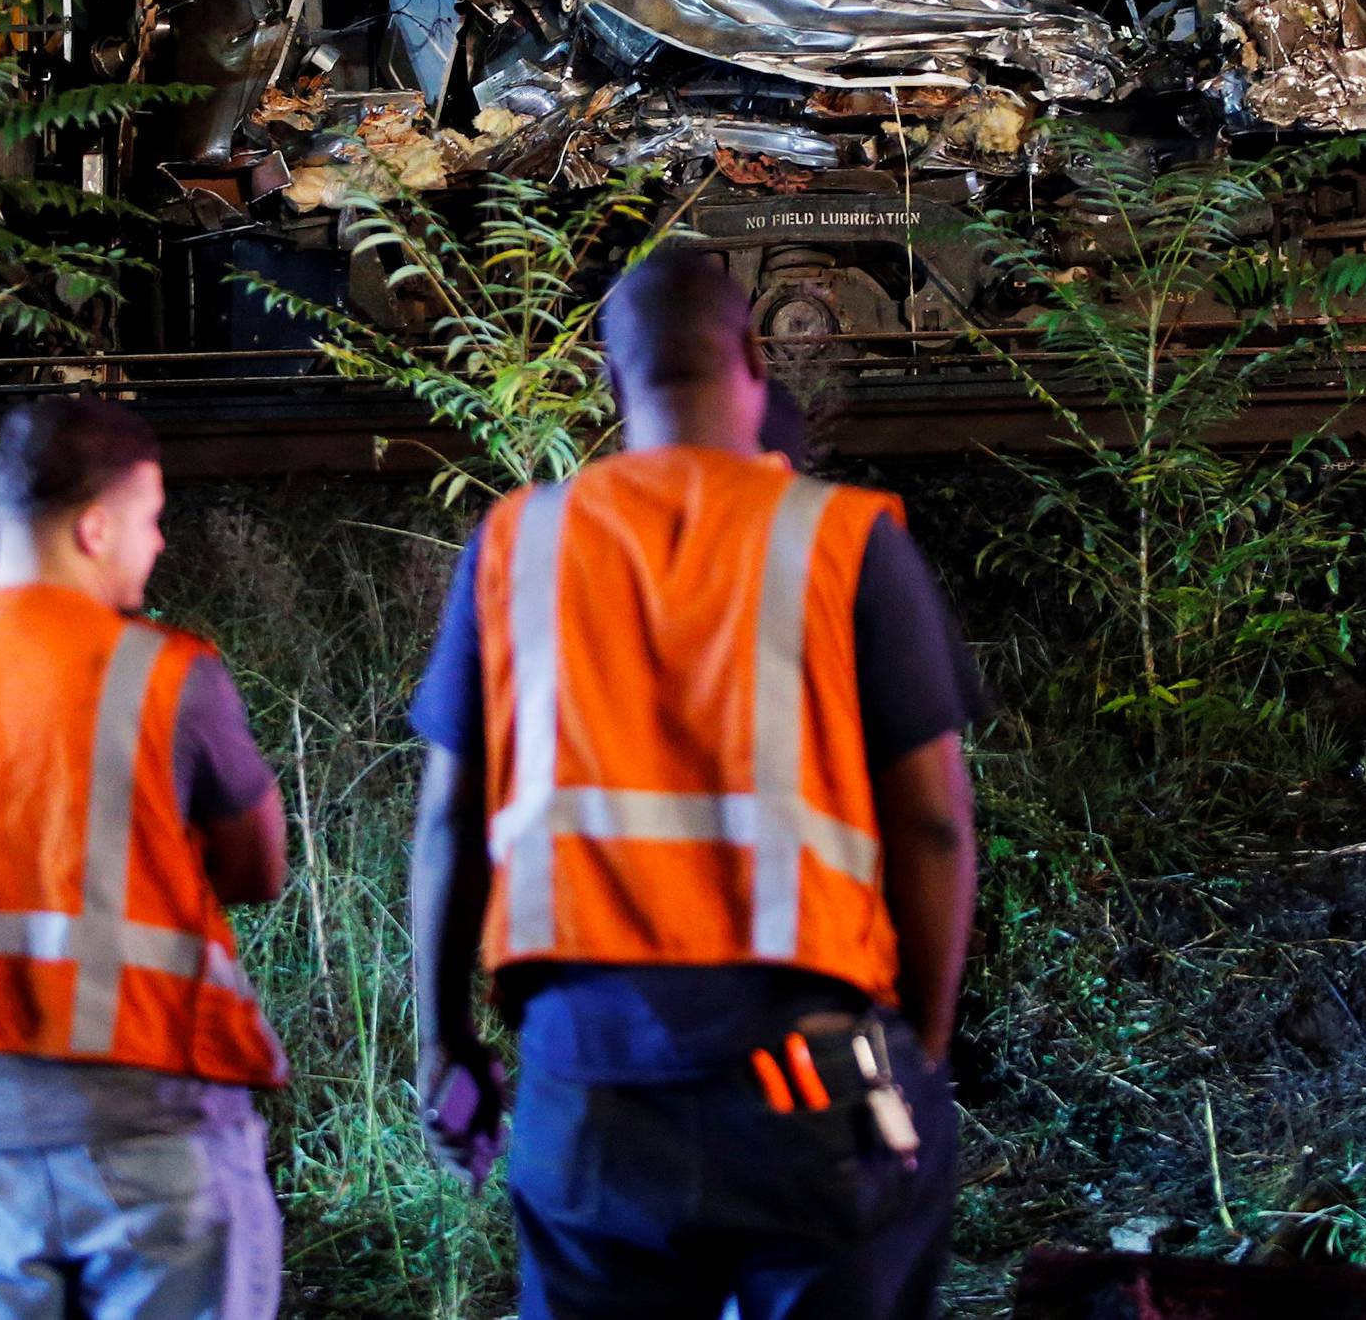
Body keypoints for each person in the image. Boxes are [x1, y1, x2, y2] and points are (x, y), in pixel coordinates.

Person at [410, 244, 981, 1319]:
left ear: (612, 382)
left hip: (589, 1077)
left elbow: (448, 820)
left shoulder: (517, 543)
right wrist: (920, 1050)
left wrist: (449, 1042)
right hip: (809, 1080)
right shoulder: (845, 537)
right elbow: (935, 827)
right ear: (756, 359)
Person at [0, 397, 289, 1320]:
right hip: (151, 1122)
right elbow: (260, 871)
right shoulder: (166, 671)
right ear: (95, 526)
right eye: (150, 521)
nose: (157, 547)